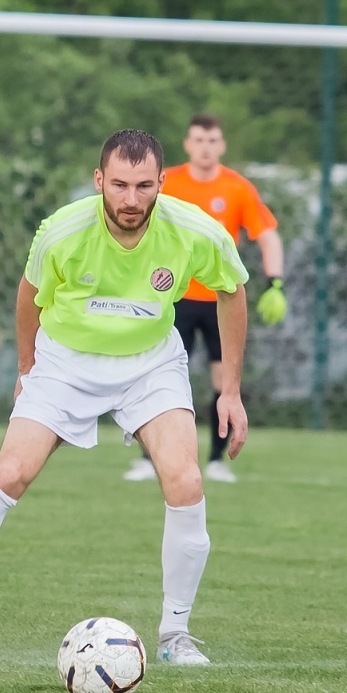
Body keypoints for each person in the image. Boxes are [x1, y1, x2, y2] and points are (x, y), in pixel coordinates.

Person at [0, 129, 250, 664]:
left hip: (150, 360)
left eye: (145, 186)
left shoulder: (197, 232)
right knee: (9, 473)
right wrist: (26, 368)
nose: (132, 200)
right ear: (99, 180)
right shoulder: (61, 232)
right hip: (65, 361)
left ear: (162, 183)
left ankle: (176, 635)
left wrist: (231, 391)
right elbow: (28, 297)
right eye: (121, 185)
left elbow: (232, 291)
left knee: (187, 478)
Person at [123, 114, 284, 484]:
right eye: (199, 140)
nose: (205, 147)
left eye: (212, 140)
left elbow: (268, 234)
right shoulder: (167, 183)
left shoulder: (237, 188)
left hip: (219, 301)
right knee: (154, 376)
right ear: (188, 144)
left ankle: (215, 460)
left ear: (221, 146)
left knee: (222, 380)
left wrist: (275, 282)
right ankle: (150, 459)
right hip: (170, 296)